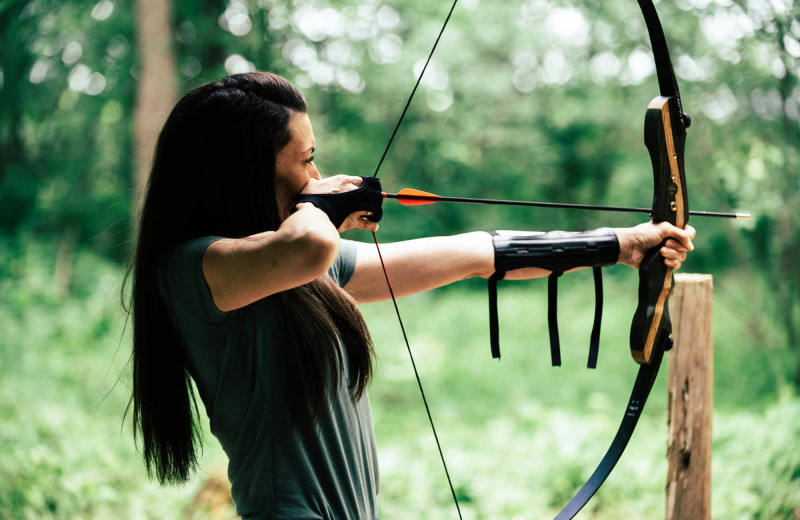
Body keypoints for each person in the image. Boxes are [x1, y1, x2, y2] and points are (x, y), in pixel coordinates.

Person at [128, 71, 695, 520]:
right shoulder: (195, 268)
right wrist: (321, 207)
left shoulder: (301, 268)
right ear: (245, 173)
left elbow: (475, 254)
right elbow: (304, 247)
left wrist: (620, 244)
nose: (319, 174)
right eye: (305, 161)